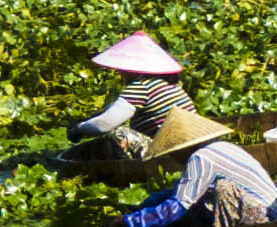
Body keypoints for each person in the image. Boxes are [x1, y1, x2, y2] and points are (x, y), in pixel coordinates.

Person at [118, 111, 277, 227]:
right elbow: (179, 192)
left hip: (266, 219)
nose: (173, 158)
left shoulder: (201, 158)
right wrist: (143, 207)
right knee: (201, 197)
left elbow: (178, 205)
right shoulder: (221, 146)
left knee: (222, 189)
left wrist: (130, 222)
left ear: (182, 148)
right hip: (274, 210)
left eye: (172, 153)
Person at [72, 30, 193, 158]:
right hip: (189, 144)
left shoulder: (141, 86)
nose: (120, 71)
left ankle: (129, 171)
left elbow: (104, 125)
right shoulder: (167, 83)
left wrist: (79, 129)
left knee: (118, 133)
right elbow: (112, 110)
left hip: (169, 150)